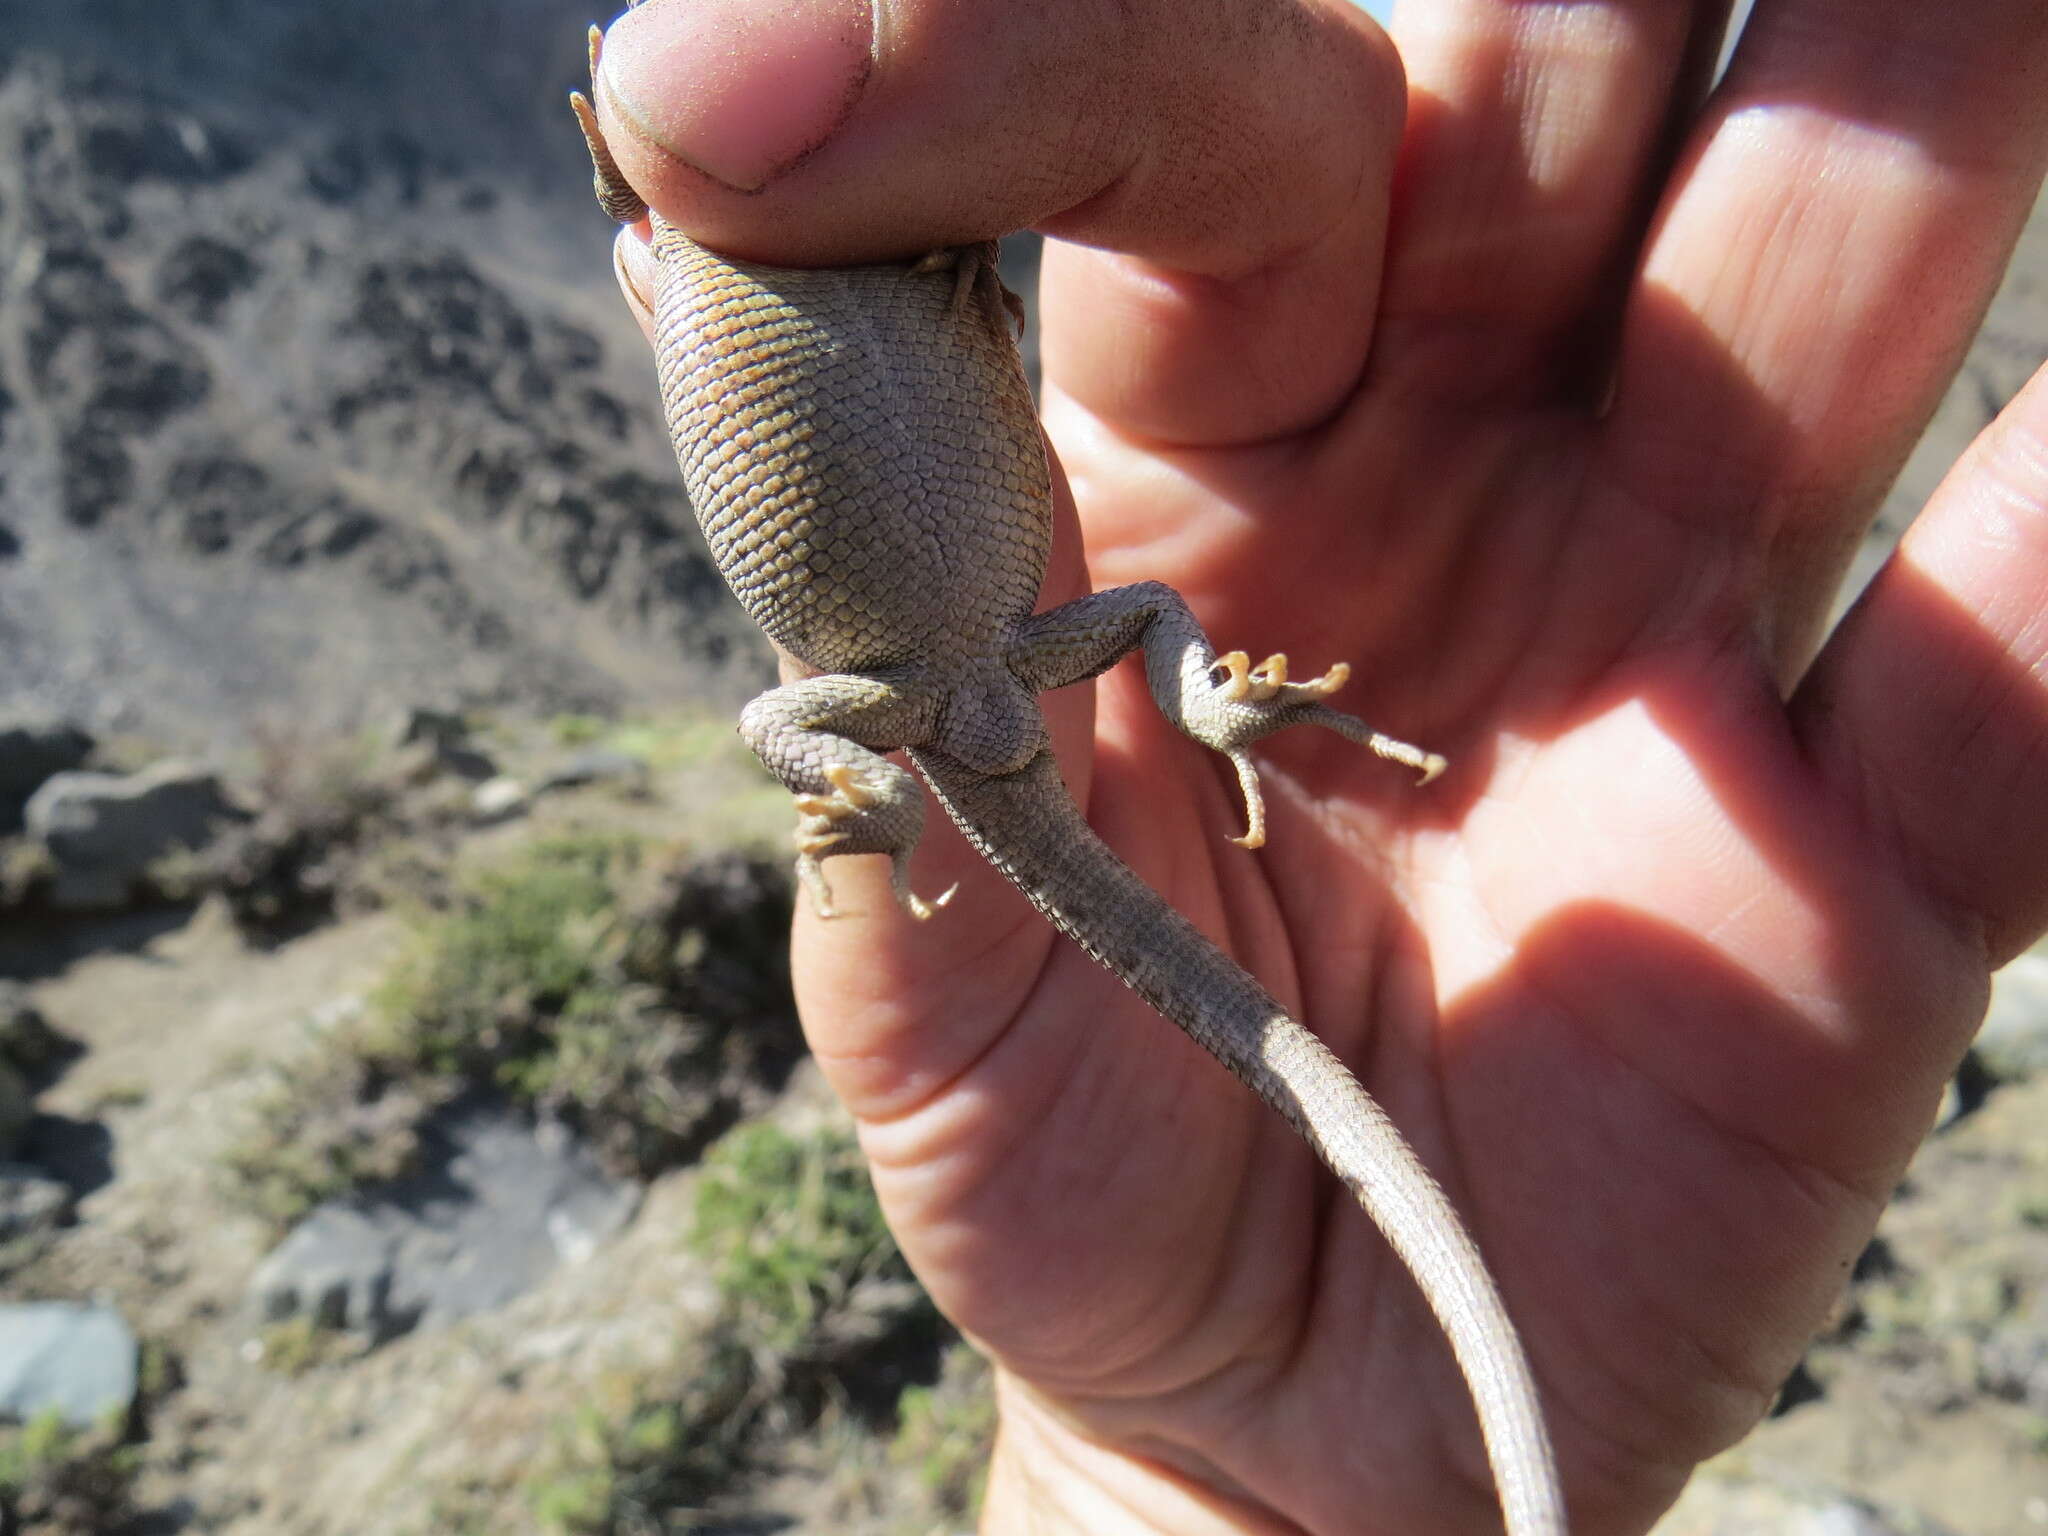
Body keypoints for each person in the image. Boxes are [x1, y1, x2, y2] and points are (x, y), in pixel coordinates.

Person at [584, 0, 2048, 1530]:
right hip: (915, 683)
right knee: (799, 712)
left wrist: (1201, 704)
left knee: (1127, 615)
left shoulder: (816, 217)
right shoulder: (683, 229)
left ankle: (1174, 725)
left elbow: (1143, 600)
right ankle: (929, 791)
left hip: (985, 648)